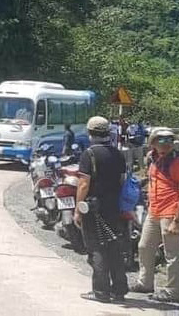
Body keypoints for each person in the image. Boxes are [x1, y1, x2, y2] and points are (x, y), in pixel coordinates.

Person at [130, 127, 179, 302]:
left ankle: (173, 291)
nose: (167, 143)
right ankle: (145, 283)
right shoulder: (152, 158)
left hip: (172, 213)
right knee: (144, 246)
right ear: (153, 142)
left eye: (170, 140)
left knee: (172, 254)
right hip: (154, 211)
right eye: (162, 140)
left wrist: (177, 220)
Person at [73, 116, 127, 303]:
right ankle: (119, 290)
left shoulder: (89, 154)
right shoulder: (118, 154)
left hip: (93, 209)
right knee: (114, 247)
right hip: (113, 207)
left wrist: (78, 209)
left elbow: (83, 184)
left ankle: (101, 292)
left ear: (90, 133)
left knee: (96, 249)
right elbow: (122, 180)